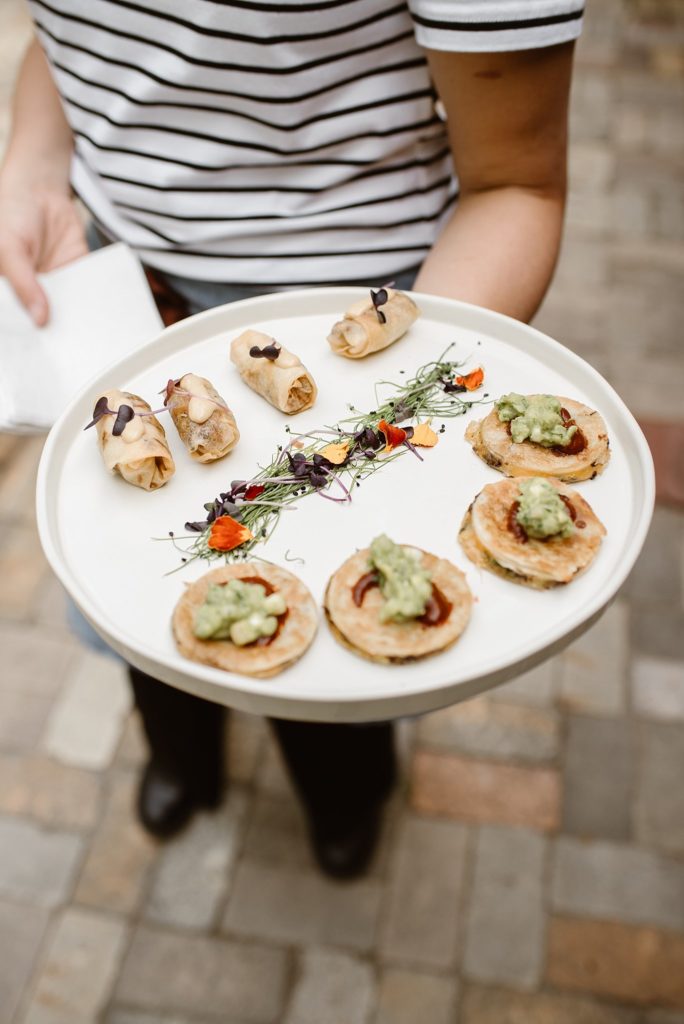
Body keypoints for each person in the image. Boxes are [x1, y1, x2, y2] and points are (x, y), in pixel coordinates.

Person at [0, 0, 583, 877]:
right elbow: (80, 36)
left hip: (376, 324)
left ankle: (343, 794)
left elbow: (517, 181)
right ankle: (181, 754)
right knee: (140, 589)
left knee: (331, 625)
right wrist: (34, 169)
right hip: (122, 292)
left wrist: (385, 400)